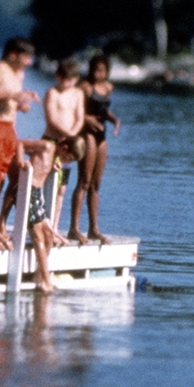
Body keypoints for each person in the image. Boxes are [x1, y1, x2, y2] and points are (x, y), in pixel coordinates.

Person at [0, 37, 40, 250]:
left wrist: (20, 103)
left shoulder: (17, 74)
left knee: (1, 180)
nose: (28, 62)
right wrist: (14, 95)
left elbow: (9, 100)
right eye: (26, 57)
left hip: (8, 127)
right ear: (13, 54)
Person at [17, 134, 86, 293]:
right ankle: (46, 280)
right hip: (29, 191)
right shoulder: (47, 146)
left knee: (48, 236)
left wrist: (56, 163)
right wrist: (21, 161)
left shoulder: (55, 155)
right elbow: (21, 143)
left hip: (37, 194)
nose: (68, 162)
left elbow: (45, 162)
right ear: (64, 147)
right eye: (69, 158)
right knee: (38, 236)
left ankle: (39, 274)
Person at [69, 54, 121, 244]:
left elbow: (103, 109)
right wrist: (86, 119)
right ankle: (74, 228)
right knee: (84, 180)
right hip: (87, 134)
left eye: (102, 70)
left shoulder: (108, 87)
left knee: (96, 184)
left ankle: (93, 228)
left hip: (102, 135)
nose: (98, 73)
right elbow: (74, 108)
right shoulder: (84, 86)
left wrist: (114, 120)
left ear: (107, 71)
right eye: (95, 69)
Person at [41, 58, 86, 240]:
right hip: (52, 141)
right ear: (57, 76)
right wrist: (67, 135)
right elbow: (51, 119)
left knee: (61, 188)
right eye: (62, 79)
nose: (65, 83)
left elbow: (79, 117)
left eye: (69, 80)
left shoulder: (78, 93)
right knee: (46, 183)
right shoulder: (52, 92)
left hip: (68, 144)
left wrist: (72, 136)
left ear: (75, 79)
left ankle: (54, 226)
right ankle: (41, 224)